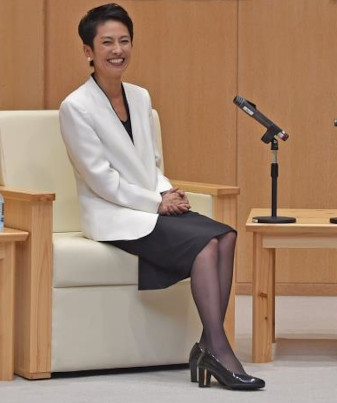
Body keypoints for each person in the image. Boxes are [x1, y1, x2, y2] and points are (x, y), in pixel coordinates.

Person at [59, 3, 264, 391]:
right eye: (107, 42)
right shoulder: (75, 107)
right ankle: (219, 350)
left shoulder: (140, 96)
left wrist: (166, 189)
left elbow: (150, 163)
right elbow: (100, 179)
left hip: (148, 204)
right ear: (89, 51)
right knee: (205, 246)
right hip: (112, 214)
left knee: (226, 235)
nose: (117, 50)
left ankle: (208, 346)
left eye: (124, 41)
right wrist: (156, 203)